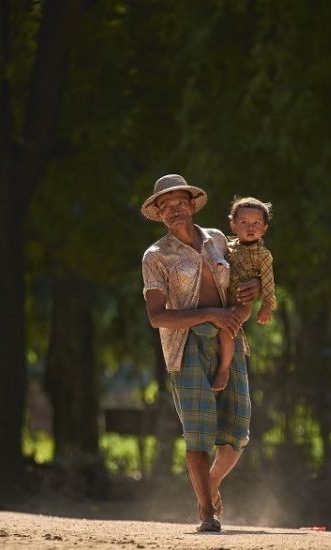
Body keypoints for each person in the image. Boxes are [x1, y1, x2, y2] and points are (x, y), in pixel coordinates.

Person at [141, 174, 261, 532]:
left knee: (238, 432)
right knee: (197, 431)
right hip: (187, 345)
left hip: (230, 337)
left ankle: (209, 485)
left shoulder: (219, 240)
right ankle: (207, 513)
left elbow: (243, 279)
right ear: (159, 214)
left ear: (192, 205)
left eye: (180, 203)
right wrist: (210, 313)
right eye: (166, 207)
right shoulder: (156, 256)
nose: (175, 210)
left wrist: (253, 288)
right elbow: (157, 317)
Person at [213, 196, 277, 392]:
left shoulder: (263, 255)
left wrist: (267, 306)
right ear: (233, 226)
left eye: (257, 223)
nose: (251, 227)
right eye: (244, 222)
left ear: (265, 228)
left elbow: (268, 282)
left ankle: (224, 369)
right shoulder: (226, 247)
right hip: (222, 299)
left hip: (241, 303)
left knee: (227, 326)